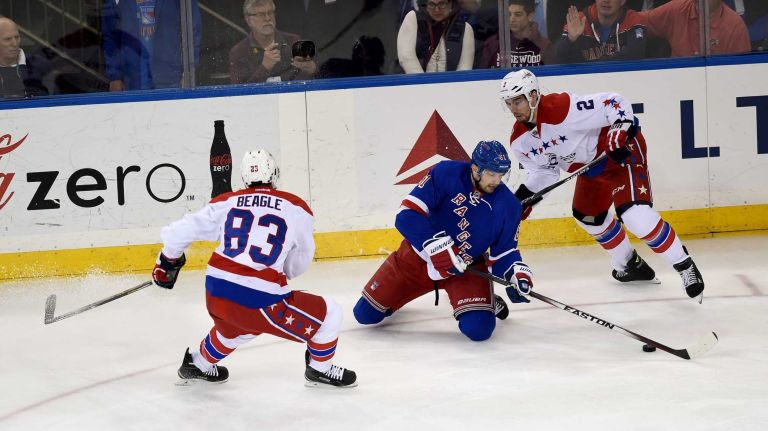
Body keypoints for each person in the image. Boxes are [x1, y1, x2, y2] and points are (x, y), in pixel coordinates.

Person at [152, 149, 357, 388]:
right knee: (330, 313)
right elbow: (301, 259)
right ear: (274, 175)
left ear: (243, 178)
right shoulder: (295, 206)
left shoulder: (226, 201)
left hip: (216, 291)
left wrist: (166, 263)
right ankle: (319, 370)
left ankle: (198, 363)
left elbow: (178, 231)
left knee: (237, 327)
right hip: (258, 298)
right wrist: (283, 272)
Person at [498, 69, 705, 301]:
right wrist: (525, 198)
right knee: (588, 216)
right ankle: (629, 264)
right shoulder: (520, 141)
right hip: (592, 168)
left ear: (534, 96)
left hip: (619, 154)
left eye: (518, 101)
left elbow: (613, 102)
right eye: (509, 102)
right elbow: (545, 172)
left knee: (635, 215)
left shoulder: (561, 108)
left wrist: (619, 128)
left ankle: (684, 265)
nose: (513, 108)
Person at [353, 141, 535, 342]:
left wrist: (515, 274)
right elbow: (406, 215)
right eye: (491, 174)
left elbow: (505, 253)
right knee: (364, 315)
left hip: (465, 269)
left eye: (501, 175)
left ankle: (487, 301)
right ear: (476, 168)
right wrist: (436, 245)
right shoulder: (446, 174)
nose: (496, 180)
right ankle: (394, 299)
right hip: (416, 259)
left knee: (479, 330)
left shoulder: (509, 205)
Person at [101, 0, 202, 91]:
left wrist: (188, 71)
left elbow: (192, 30)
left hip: (169, 79)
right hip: (132, 80)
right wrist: (115, 76)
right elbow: (111, 36)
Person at [229, 0, 317, 84]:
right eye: (261, 14)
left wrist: (313, 69)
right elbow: (239, 94)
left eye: (270, 13)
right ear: (248, 20)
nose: (267, 18)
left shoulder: (294, 41)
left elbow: (313, 79)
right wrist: (265, 68)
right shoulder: (238, 52)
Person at [643, 0, 750, 57]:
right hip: (676, 86)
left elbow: (742, 74)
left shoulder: (735, 26)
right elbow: (638, 21)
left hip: (717, 89)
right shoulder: (676, 10)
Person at [555, 0, 648, 63]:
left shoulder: (634, 20)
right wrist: (570, 39)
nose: (606, 1)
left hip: (624, 81)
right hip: (586, 84)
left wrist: (597, 65)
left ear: (623, 1)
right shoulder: (579, 20)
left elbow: (634, 55)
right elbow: (559, 59)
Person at [397, 0, 476, 73]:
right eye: (432, 4)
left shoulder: (465, 29)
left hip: (451, 86)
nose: (437, 9)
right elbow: (406, 57)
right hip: (415, 85)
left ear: (451, 4)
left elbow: (465, 68)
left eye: (442, 4)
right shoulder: (413, 18)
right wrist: (423, 84)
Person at [480, 0, 554, 68]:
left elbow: (551, 77)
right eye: (509, 14)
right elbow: (483, 78)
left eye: (518, 15)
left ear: (530, 16)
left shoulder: (545, 46)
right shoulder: (492, 44)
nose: (512, 19)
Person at [0, 17, 45, 99]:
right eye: (7, 39)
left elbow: (49, 101)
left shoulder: (38, 64)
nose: (14, 43)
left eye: (17, 37)